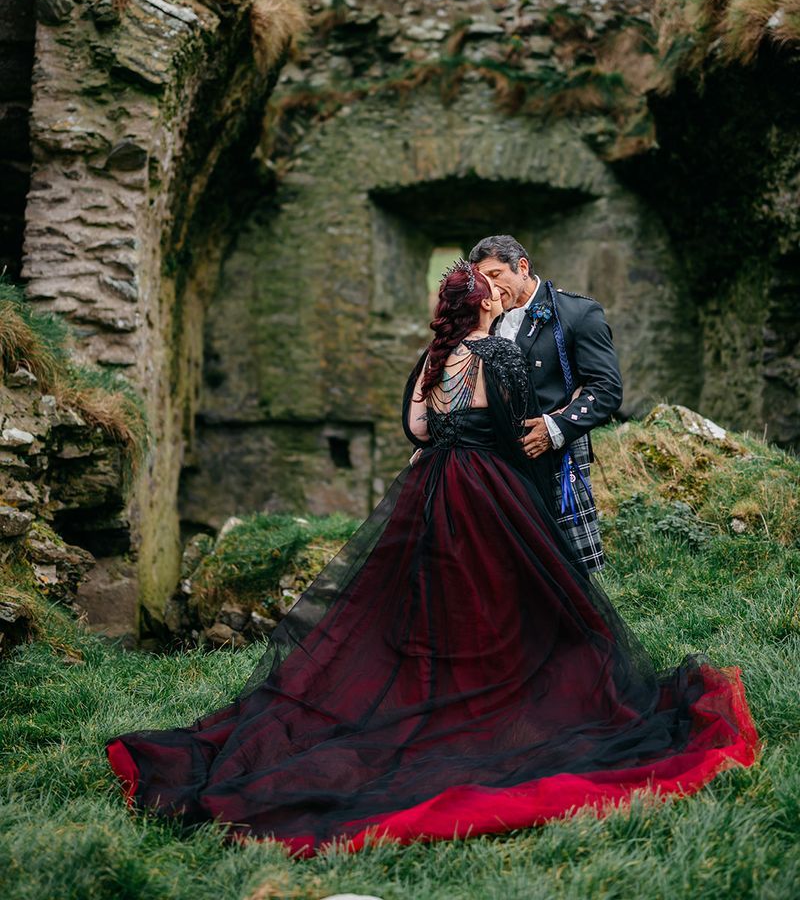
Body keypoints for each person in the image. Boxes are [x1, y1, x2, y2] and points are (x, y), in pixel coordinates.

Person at [107, 260, 757, 857]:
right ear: (483, 309)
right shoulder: (497, 355)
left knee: (427, 602)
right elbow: (515, 430)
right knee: (502, 596)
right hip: (485, 487)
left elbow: (416, 431)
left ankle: (435, 688)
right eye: (493, 296)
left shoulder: (431, 359)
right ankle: (501, 703)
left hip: (429, 486)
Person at [469, 234, 622, 574]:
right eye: (482, 279)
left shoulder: (578, 313)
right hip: (495, 460)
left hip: (554, 456)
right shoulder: (482, 318)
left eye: (495, 275)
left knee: (564, 568)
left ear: (522, 267)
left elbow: (607, 389)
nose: (489, 288)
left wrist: (555, 428)